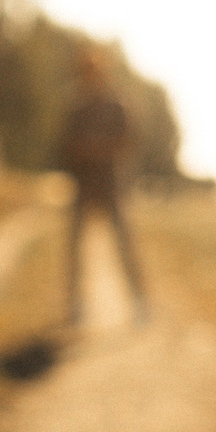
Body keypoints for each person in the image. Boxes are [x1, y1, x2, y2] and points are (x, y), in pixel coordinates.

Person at [57, 45, 150, 325]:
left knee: (125, 244)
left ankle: (140, 302)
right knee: (75, 248)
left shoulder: (117, 105)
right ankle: (76, 306)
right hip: (83, 185)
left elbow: (129, 140)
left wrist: (95, 149)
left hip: (111, 185)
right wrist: (93, 149)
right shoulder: (75, 107)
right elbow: (67, 144)